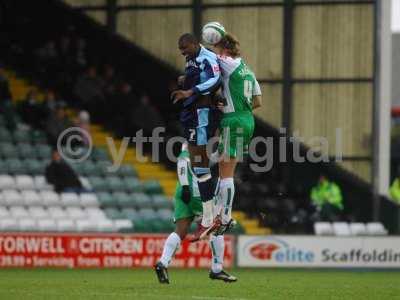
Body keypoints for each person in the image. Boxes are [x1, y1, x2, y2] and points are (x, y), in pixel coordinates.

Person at [154, 143, 237, 284]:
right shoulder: (189, 153)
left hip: (181, 194)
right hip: (196, 194)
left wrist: (184, 187)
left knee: (180, 230)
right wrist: (187, 186)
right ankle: (216, 269)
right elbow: (181, 164)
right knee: (216, 228)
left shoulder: (191, 153)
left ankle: (163, 262)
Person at [208, 33, 262, 234]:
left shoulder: (230, 63)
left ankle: (226, 216)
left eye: (219, 49)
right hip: (247, 119)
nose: (218, 53)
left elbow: (210, 57)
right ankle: (219, 212)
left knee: (226, 172)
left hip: (234, 119)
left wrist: (229, 109)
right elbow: (258, 101)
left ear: (226, 50)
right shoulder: (248, 71)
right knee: (226, 169)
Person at [171, 33, 222, 241]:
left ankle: (210, 217)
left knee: (200, 165)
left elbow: (216, 78)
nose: (182, 52)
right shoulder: (191, 59)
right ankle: (210, 217)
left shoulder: (207, 57)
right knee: (199, 164)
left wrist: (190, 91)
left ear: (194, 44)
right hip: (192, 112)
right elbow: (200, 75)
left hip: (202, 113)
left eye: (184, 48)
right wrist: (186, 80)